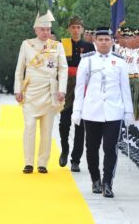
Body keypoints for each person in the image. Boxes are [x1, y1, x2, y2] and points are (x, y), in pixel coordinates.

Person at [72, 27, 133, 198]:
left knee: (110, 148)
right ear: (95, 42)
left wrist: (128, 111)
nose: (104, 43)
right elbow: (79, 88)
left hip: (114, 111)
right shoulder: (87, 61)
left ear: (112, 41)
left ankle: (107, 182)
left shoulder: (120, 62)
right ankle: (95, 180)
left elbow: (125, 88)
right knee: (91, 148)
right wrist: (77, 110)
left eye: (107, 40)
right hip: (92, 111)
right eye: (101, 40)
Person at [14, 10, 68, 174]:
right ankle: (28, 162)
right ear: (35, 29)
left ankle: (42, 162)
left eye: (48, 29)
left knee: (47, 129)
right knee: (29, 127)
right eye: (42, 29)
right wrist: (18, 89)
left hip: (50, 91)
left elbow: (63, 69)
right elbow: (19, 69)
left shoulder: (56, 46)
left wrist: (62, 89)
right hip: (31, 92)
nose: (46, 33)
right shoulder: (26, 44)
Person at [59, 16, 95, 172]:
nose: (75, 30)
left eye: (78, 27)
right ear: (69, 29)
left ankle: (76, 159)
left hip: (82, 86)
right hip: (66, 85)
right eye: (73, 27)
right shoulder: (62, 45)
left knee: (80, 126)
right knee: (64, 122)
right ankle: (65, 149)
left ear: (82, 30)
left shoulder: (89, 47)